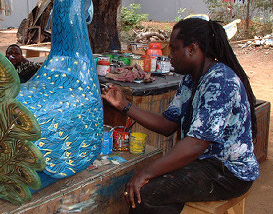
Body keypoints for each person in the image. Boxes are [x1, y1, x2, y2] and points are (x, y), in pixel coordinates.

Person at [102, 18, 259, 214]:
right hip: (204, 162)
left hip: (228, 172)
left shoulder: (220, 81)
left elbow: (196, 144)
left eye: (174, 49)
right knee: (146, 187)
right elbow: (168, 124)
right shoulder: (190, 79)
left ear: (192, 49)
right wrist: (124, 105)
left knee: (144, 193)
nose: (170, 56)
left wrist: (146, 172)